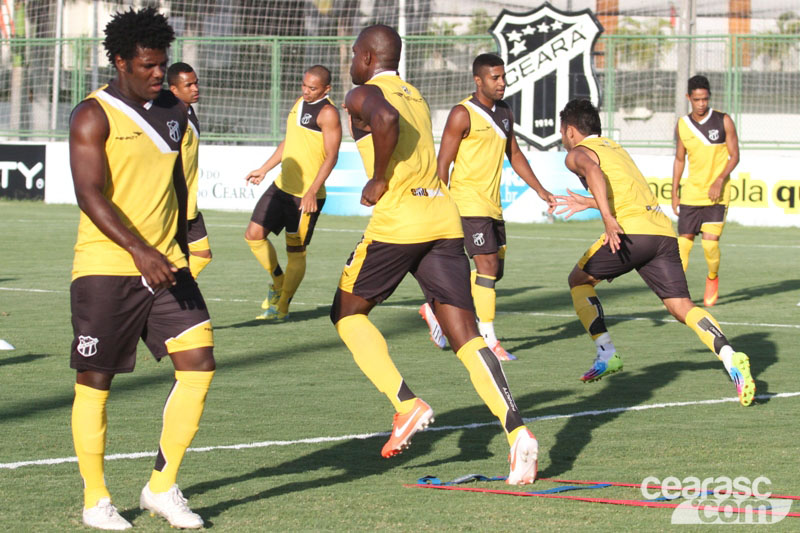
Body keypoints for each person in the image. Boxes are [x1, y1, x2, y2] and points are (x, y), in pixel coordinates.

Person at [331, 24, 540, 485]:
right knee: (467, 337)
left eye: (353, 53)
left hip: (400, 220)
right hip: (444, 219)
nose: (351, 60)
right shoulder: (416, 95)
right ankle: (518, 433)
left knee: (347, 313)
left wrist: (379, 176)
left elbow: (381, 121)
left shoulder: (361, 92)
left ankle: (406, 403)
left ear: (367, 57)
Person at [68, 7, 214, 530]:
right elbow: (89, 194)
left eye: (163, 64)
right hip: (107, 268)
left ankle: (161, 486)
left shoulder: (174, 110)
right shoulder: (93, 114)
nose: (160, 74)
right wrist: (139, 250)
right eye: (149, 65)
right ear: (120, 60)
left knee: (199, 365)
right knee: (96, 381)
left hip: (167, 263)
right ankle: (96, 499)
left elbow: (178, 182)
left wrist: (186, 236)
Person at [553, 99, 754, 407]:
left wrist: (607, 217)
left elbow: (591, 171)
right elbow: (627, 193)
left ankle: (606, 352)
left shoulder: (577, 153)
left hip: (631, 232)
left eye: (562, 132)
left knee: (578, 280)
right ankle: (730, 356)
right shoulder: (615, 147)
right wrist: (592, 203)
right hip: (661, 232)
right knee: (681, 306)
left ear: (570, 131)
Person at [420, 53, 555, 361]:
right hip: (467, 203)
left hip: (493, 206)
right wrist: (438, 204)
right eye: (495, 78)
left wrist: (540, 189)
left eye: (503, 77)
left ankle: (436, 306)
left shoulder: (505, 112)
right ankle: (489, 339)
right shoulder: (462, 114)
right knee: (487, 267)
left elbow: (515, 154)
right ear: (478, 80)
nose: (502, 83)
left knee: (495, 273)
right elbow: (444, 164)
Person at [244, 65, 342, 320]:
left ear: (326, 89)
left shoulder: (328, 113)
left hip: (305, 197)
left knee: (295, 252)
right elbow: (290, 141)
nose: (306, 91)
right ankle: (278, 282)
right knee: (253, 235)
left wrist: (311, 191)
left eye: (313, 88)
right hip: (281, 187)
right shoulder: (299, 103)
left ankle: (283, 305)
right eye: (304, 85)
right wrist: (264, 169)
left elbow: (332, 156)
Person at [671, 75, 739, 307]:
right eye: (697, 99)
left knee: (710, 245)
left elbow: (735, 155)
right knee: (683, 245)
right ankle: (677, 293)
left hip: (717, 194)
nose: (701, 103)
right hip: (692, 193)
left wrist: (720, 179)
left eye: (705, 99)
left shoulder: (723, 120)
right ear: (688, 97)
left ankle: (712, 278)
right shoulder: (683, 124)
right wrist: (674, 192)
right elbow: (679, 160)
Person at [168, 61, 212, 278]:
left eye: (196, 83)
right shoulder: (172, 119)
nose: (195, 88)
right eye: (189, 85)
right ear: (173, 89)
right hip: (173, 203)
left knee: (202, 255)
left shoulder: (188, 111)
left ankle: (176, 292)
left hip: (188, 203)